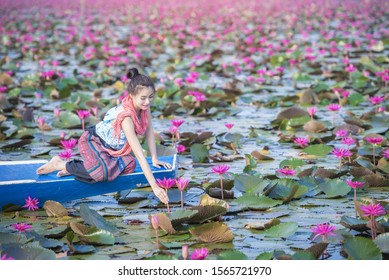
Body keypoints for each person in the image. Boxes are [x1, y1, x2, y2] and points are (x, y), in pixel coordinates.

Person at [36, 68, 169, 204]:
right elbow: (140, 155)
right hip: (93, 141)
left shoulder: (144, 109)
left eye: (150, 97)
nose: (147, 102)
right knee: (102, 173)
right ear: (131, 95)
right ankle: (60, 164)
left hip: (112, 150)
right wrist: (155, 186)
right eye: (143, 98)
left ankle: (79, 170)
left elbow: (149, 131)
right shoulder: (126, 118)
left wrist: (154, 158)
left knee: (129, 165)